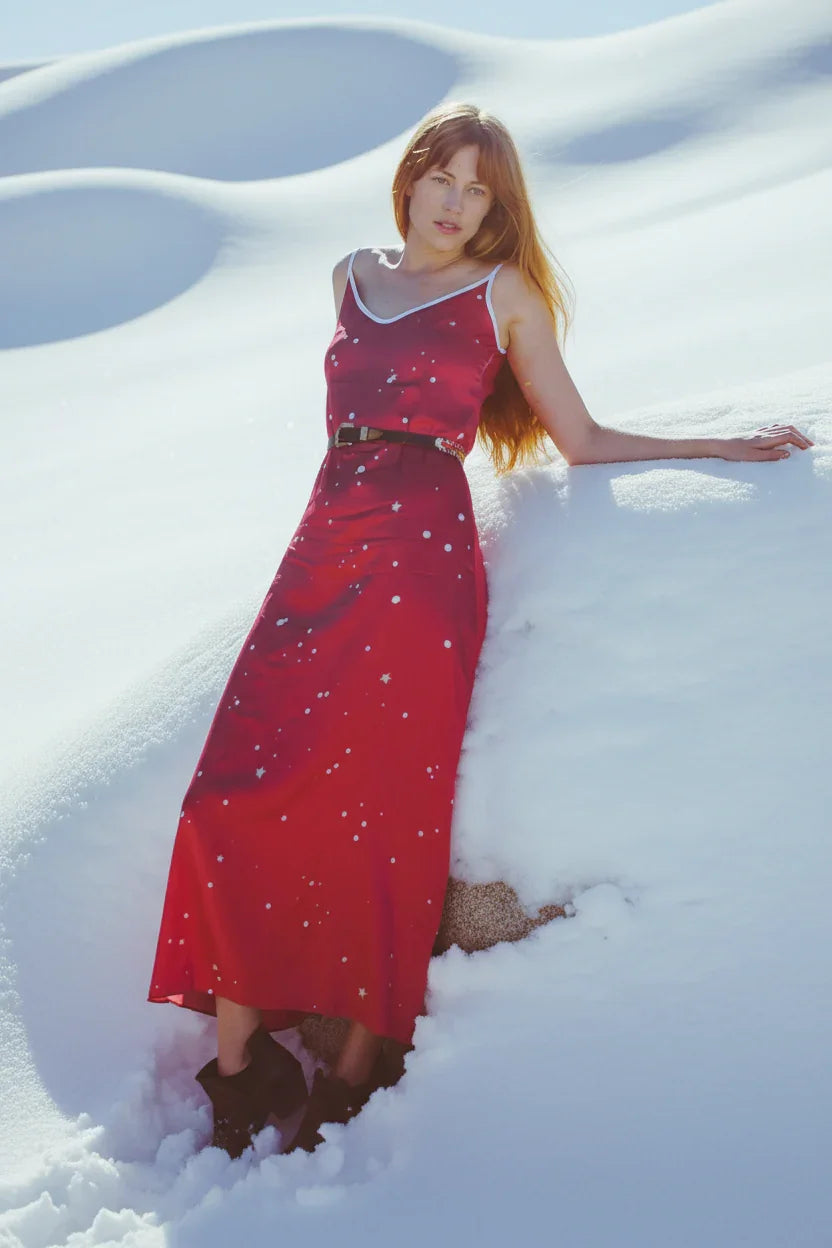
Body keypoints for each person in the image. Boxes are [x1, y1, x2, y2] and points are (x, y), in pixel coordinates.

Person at [147, 101, 813, 1159]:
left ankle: (359, 1063)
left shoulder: (503, 296)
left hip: (420, 567)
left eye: (481, 192)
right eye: (444, 180)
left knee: (382, 814)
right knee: (230, 795)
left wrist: (723, 447)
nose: (458, 205)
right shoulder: (348, 277)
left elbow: (582, 436)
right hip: (321, 545)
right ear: (409, 178)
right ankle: (239, 1062)